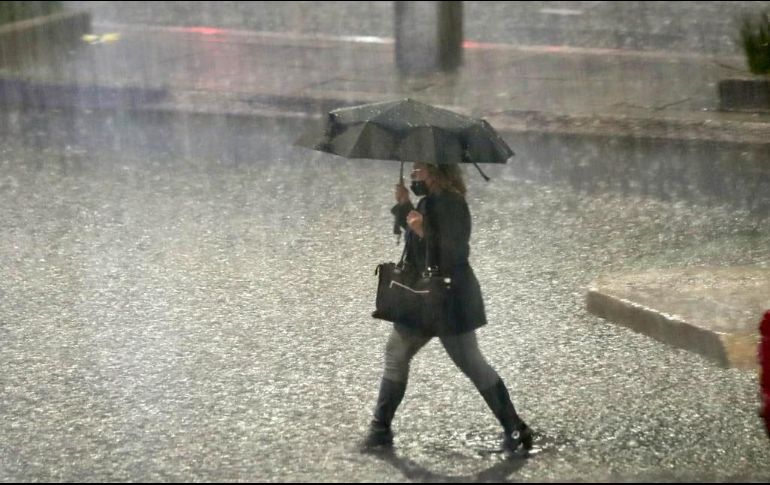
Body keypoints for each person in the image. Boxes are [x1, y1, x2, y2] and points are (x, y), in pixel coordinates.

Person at [363, 161, 533, 452]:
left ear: (436, 171)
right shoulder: (430, 201)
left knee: (472, 364)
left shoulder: (452, 203)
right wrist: (405, 207)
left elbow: (453, 250)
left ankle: (516, 428)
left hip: (449, 300)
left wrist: (422, 229)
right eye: (413, 170)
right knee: (396, 353)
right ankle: (380, 430)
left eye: (420, 170)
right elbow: (418, 244)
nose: (415, 175)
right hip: (424, 300)